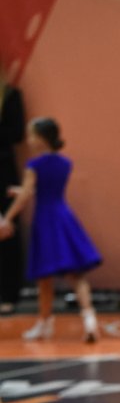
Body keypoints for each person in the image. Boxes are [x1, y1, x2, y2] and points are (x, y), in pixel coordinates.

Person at [0, 117, 101, 342]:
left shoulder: (34, 165)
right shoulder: (64, 163)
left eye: (31, 135)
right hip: (63, 217)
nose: (29, 140)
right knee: (76, 274)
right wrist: (24, 191)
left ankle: (45, 324)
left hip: (45, 220)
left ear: (40, 138)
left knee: (44, 277)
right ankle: (89, 318)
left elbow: (27, 195)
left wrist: (7, 218)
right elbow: (46, 190)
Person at [0, 70, 25, 313]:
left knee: (7, 233)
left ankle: (8, 293)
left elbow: (17, 134)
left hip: (3, 169)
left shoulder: (10, 95)